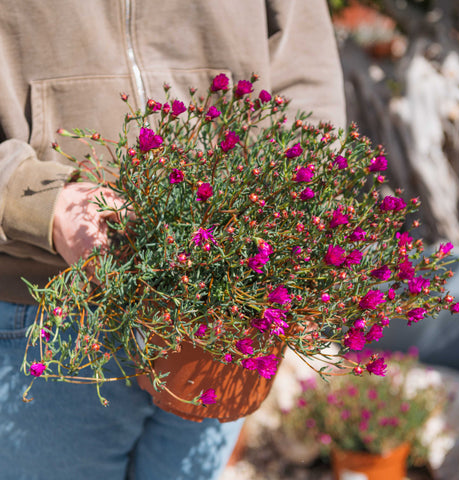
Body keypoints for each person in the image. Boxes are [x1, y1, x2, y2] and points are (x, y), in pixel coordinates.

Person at [0, 1, 345, 478]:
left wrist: (299, 207)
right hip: (47, 308)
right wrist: (35, 201)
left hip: (228, 305)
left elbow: (303, 68)